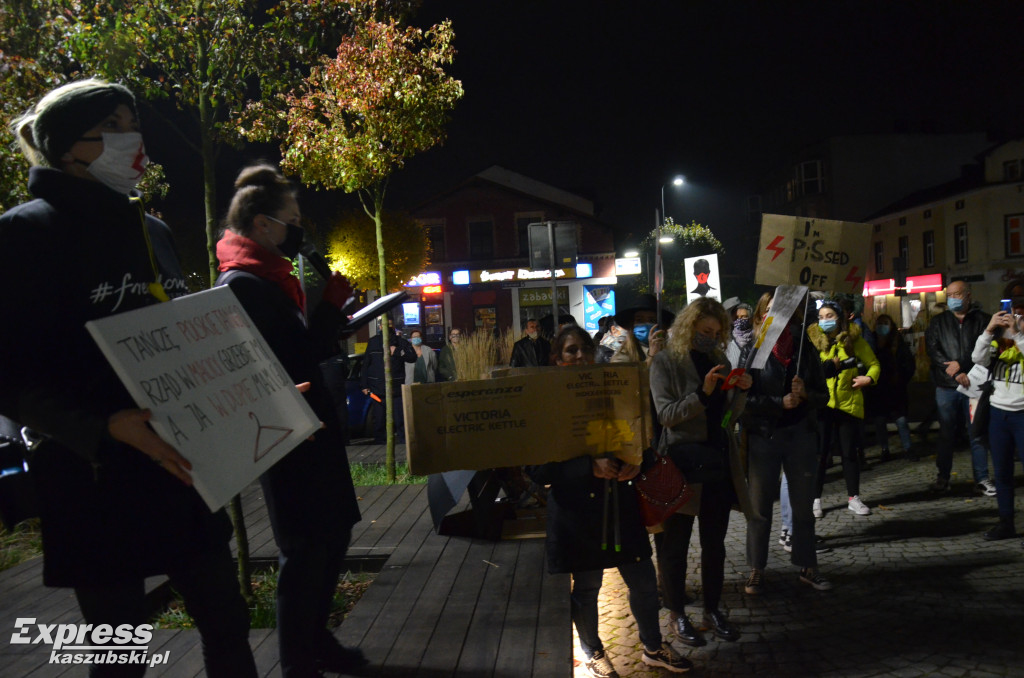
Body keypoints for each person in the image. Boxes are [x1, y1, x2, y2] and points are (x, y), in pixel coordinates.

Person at [0, 79, 257, 677]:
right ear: (70, 147)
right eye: (114, 127)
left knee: (227, 617)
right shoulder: (20, 235)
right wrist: (101, 428)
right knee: (120, 647)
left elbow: (181, 336)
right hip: (93, 478)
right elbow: (8, 372)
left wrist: (245, 394)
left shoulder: (154, 232)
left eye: (133, 125)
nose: (133, 141)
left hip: (182, 466)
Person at [216, 163, 364, 677]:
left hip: (312, 424)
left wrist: (330, 322)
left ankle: (317, 641)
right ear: (262, 225)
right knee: (303, 551)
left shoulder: (275, 278)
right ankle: (298, 663)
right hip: (283, 433)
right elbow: (284, 362)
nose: (299, 227)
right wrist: (328, 313)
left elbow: (300, 349)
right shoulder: (243, 285)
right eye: (291, 217)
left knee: (336, 533)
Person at [526, 327, 690, 678]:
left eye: (584, 349)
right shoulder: (546, 404)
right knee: (587, 588)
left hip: (620, 507)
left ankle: (653, 646)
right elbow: (537, 469)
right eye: (570, 351)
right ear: (557, 359)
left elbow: (641, 438)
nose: (580, 356)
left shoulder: (615, 392)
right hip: (578, 515)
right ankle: (593, 651)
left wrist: (637, 461)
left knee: (645, 582)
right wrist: (588, 466)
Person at [649, 297, 753, 646]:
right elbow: (666, 415)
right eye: (704, 330)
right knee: (675, 545)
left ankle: (712, 608)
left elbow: (725, 419)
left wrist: (738, 393)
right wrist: (703, 392)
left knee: (715, 545)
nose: (710, 337)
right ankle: (677, 612)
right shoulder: (665, 362)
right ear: (689, 326)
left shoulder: (719, 359)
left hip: (718, 465)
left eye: (716, 332)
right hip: (682, 467)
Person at [741, 293, 833, 595]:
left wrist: (806, 395)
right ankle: (757, 568)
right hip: (763, 437)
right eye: (770, 310)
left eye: (783, 309)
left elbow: (823, 396)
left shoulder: (805, 349)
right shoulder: (753, 350)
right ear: (761, 314)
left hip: (800, 437)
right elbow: (743, 401)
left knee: (802, 507)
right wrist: (778, 402)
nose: (776, 315)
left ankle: (807, 565)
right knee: (759, 508)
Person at [810, 300, 880, 517]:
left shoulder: (854, 341)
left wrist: (868, 379)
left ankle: (853, 497)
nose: (825, 321)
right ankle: (815, 499)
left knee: (849, 453)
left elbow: (874, 364)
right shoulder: (814, 343)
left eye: (829, 316)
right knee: (821, 455)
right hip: (823, 406)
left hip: (848, 406)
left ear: (840, 318)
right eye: (821, 317)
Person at [925, 280, 994, 494]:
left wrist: (963, 366)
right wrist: (955, 372)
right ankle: (943, 478)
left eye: (957, 294)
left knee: (977, 433)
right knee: (946, 434)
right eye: (950, 294)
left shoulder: (982, 320)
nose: (952, 298)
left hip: (975, 385)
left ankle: (981, 479)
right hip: (947, 386)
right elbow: (933, 349)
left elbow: (987, 350)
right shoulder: (938, 322)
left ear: (968, 295)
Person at [972, 304, 1024, 541]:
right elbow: (978, 359)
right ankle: (1006, 523)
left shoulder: (1017, 337)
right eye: (1013, 309)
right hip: (998, 413)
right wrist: (989, 330)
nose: (1015, 315)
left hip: (1022, 414)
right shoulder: (999, 339)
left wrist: (1018, 335)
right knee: (1002, 473)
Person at [867, 314, 915, 460]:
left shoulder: (897, 340)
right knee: (880, 421)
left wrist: (901, 378)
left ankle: (908, 448)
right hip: (878, 389)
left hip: (895, 389)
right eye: (880, 323)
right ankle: (884, 449)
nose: (882, 326)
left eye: (885, 323)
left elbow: (908, 363)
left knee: (901, 421)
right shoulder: (871, 341)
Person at [361, 319, 416, 444]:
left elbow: (412, 357)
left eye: (390, 324)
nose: (386, 327)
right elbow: (366, 365)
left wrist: (397, 351)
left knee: (399, 419)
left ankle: (403, 444)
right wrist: (364, 385)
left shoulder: (400, 342)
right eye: (384, 324)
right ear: (380, 326)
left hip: (395, 389)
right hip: (377, 389)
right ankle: (380, 444)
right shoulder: (373, 342)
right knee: (379, 420)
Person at [725, 302, 754, 367]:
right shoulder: (727, 343)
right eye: (736, 317)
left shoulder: (758, 339)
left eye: (744, 316)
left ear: (751, 319)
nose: (740, 320)